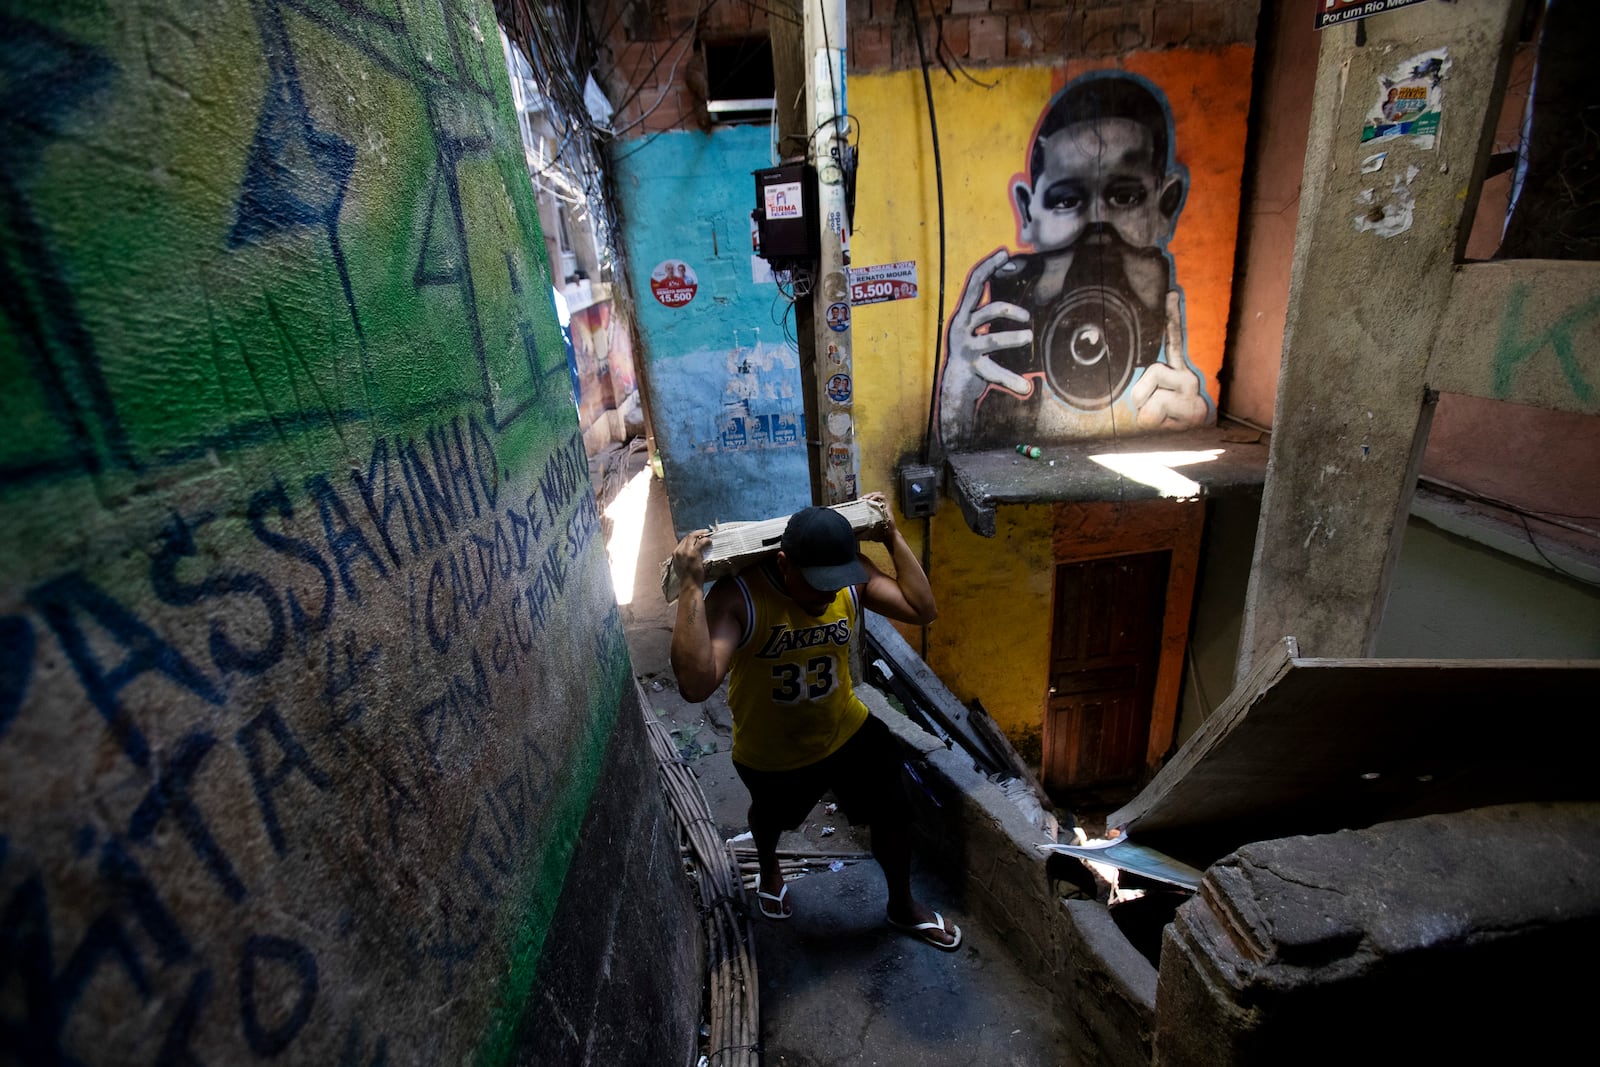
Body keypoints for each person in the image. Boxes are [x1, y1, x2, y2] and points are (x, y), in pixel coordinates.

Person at [668, 494, 958, 950]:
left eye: (836, 582)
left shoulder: (847, 580)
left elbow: (922, 610)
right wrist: (690, 587)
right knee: (771, 818)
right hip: (773, 749)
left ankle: (901, 906)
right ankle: (768, 865)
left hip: (844, 728)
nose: (828, 594)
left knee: (895, 811)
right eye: (817, 583)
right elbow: (695, 683)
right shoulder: (740, 597)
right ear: (783, 564)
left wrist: (892, 535)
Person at [939, 71, 1212, 449]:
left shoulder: (1169, 382)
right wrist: (957, 399)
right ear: (1027, 212)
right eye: (1066, 200)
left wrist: (1185, 435)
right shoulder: (997, 377)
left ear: (1165, 204)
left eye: (1126, 197)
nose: (1096, 232)